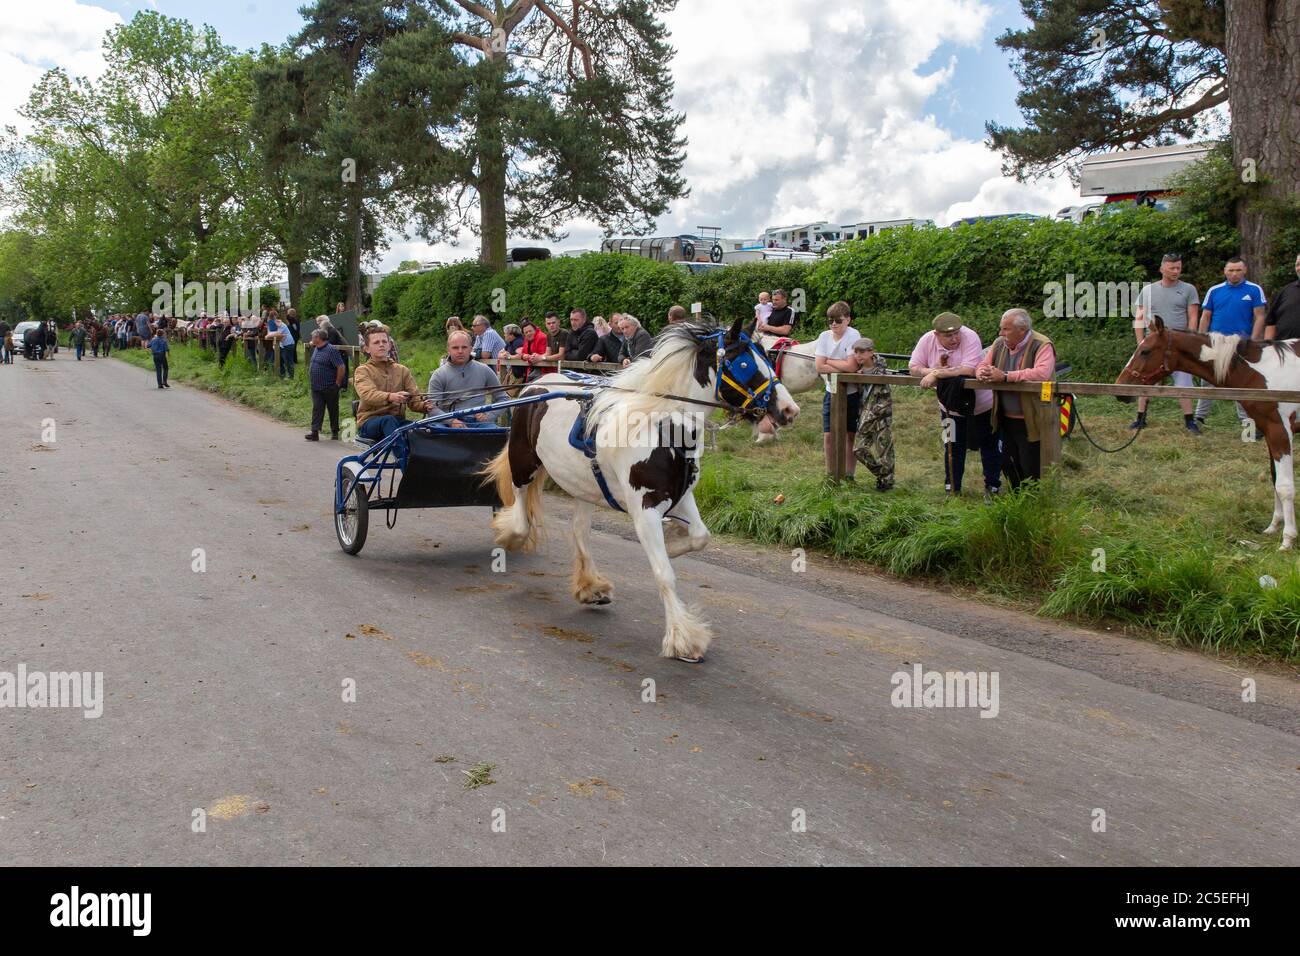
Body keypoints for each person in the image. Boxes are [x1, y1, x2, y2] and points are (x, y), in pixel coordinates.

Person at [912, 312, 1001, 498]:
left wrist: (935, 374)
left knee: (989, 444)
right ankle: (952, 488)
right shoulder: (927, 340)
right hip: (949, 407)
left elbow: (968, 368)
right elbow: (914, 367)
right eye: (948, 336)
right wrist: (933, 371)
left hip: (982, 405)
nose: (954, 339)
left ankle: (992, 487)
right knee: (951, 444)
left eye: (956, 334)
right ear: (936, 334)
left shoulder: (970, 337)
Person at [976, 308, 1056, 490]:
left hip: (1032, 418)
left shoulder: (1042, 344)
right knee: (1008, 463)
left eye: (1006, 329)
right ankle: (1017, 500)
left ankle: (1032, 506)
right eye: (1001, 328)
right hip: (1005, 418)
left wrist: (1005, 376)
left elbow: (1042, 373)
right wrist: (982, 372)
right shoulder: (998, 344)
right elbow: (982, 363)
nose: (1001, 333)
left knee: (1031, 466)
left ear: (1022, 330)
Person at [1129, 252, 1201, 432]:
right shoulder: (1148, 290)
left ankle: (1189, 420)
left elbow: (1193, 317)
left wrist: (1190, 339)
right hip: (1154, 343)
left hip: (1178, 342)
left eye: (1178, 268)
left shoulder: (1188, 289)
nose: (1176, 271)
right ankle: (1140, 417)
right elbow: (1139, 317)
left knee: (1184, 381)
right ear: (1162, 269)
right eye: (1172, 268)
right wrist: (1140, 343)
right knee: (1145, 378)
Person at [1194, 256, 1267, 427]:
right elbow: (1205, 317)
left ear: (1245, 270)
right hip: (1215, 343)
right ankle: (1199, 417)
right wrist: (1200, 339)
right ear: (1225, 271)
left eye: (1238, 270)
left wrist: (1254, 341)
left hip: (1240, 345)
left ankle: (1246, 421)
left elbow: (1260, 316)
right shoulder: (1215, 290)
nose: (1234, 274)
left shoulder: (1254, 290)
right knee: (1208, 380)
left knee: (1240, 383)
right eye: (1231, 270)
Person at [353, 327, 431, 444]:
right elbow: (367, 395)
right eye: (376, 342)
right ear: (367, 349)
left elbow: (414, 401)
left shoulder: (402, 370)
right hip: (369, 422)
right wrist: (390, 397)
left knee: (421, 429)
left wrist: (425, 405)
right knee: (388, 421)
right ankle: (402, 459)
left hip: (396, 421)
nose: (381, 345)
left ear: (389, 345)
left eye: (384, 341)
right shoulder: (362, 370)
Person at [814, 301, 862, 480]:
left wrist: (829, 361)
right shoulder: (824, 336)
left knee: (850, 434)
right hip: (831, 390)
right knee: (829, 435)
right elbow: (819, 366)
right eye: (830, 321)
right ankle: (830, 474)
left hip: (851, 393)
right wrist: (836, 364)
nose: (834, 324)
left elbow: (851, 366)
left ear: (848, 320)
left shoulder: (853, 335)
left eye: (838, 321)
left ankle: (849, 475)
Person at [427, 330, 510, 428]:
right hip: (447, 423)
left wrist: (489, 415)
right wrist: (451, 421)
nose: (460, 351)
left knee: (496, 433)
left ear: (471, 349)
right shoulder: (438, 375)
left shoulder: (484, 370)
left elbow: (503, 398)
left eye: (464, 347)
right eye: (455, 348)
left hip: (479, 423)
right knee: (435, 430)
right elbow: (432, 408)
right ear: (448, 349)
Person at [851, 337, 896, 491]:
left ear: (872, 352)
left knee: (885, 451)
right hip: (864, 415)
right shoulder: (857, 370)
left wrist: (873, 414)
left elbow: (884, 399)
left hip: (881, 416)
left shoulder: (882, 369)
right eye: (856, 352)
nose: (858, 355)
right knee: (859, 450)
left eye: (862, 351)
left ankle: (886, 483)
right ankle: (882, 475)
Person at [305, 329, 346, 441]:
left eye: (313, 337)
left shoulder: (331, 350)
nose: (311, 339)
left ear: (318, 338)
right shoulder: (317, 348)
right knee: (317, 408)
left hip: (329, 386)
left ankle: (334, 432)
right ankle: (314, 432)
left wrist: (337, 383)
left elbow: (341, 367)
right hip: (316, 386)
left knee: (333, 409)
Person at [1264, 251, 1300, 342]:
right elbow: (1271, 323)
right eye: (1298, 264)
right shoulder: (1285, 291)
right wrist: (1268, 347)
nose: (1299, 268)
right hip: (1284, 352)